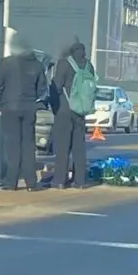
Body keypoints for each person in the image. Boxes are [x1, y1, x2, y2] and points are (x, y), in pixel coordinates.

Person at [0, 38, 49, 191]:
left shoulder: (6, 63)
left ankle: (11, 181)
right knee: (28, 145)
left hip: (9, 108)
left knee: (12, 146)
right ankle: (31, 182)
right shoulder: (37, 65)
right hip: (29, 109)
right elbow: (42, 89)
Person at [51, 41, 97, 189]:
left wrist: (54, 107)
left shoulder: (64, 63)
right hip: (81, 111)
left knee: (63, 146)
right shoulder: (89, 66)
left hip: (64, 109)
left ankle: (60, 180)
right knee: (79, 147)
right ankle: (80, 181)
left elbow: (57, 86)